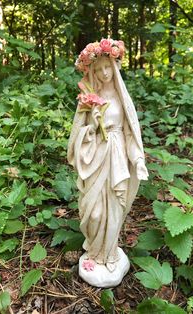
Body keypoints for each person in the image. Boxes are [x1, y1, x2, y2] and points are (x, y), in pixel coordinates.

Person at [67, 39, 148, 276]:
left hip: (118, 157)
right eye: (99, 68)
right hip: (95, 158)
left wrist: (138, 160)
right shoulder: (87, 98)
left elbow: (130, 132)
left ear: (115, 66)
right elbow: (76, 138)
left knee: (114, 208)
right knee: (94, 212)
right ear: (92, 70)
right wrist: (92, 124)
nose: (104, 73)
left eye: (108, 67)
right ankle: (94, 249)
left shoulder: (122, 99)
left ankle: (110, 253)